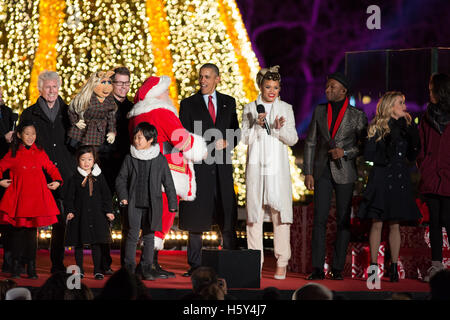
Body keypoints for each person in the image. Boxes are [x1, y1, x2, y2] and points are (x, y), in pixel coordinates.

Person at [128, 75, 206, 278]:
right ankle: (147, 266)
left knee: (151, 219)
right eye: (165, 91)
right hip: (166, 174)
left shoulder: (137, 116)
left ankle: (151, 263)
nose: (169, 95)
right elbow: (182, 139)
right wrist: (199, 149)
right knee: (161, 219)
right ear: (156, 94)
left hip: (143, 172)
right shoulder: (162, 112)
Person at [304, 72, 368, 280]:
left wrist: (346, 152)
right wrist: (308, 172)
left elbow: (364, 146)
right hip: (322, 171)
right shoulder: (320, 111)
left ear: (343, 90)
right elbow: (310, 142)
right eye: (327, 86)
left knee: (343, 220)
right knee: (319, 219)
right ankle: (316, 268)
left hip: (345, 170)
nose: (327, 90)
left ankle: (338, 268)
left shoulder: (357, 115)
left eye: (332, 87)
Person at [179, 63, 240, 277]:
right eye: (200, 77)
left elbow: (237, 132)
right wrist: (198, 150)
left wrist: (229, 141)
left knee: (227, 212)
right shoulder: (188, 104)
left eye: (207, 76)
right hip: (199, 168)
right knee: (197, 216)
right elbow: (183, 135)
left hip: (222, 168)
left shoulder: (229, 103)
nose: (202, 80)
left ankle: (231, 259)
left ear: (217, 79)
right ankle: (194, 265)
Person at [357, 91, 422, 282]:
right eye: (400, 103)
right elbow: (368, 154)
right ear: (390, 107)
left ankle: (393, 267)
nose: (404, 106)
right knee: (377, 223)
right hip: (381, 178)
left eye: (404, 102)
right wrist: (386, 149)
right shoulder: (377, 127)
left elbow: (412, 155)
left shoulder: (407, 127)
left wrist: (412, 135)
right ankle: (374, 268)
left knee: (395, 224)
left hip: (399, 179)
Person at [241, 65, 298, 280]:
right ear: (261, 87)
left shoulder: (286, 108)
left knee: (281, 216)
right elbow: (244, 138)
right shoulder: (250, 107)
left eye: (275, 87)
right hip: (256, 169)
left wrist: (278, 128)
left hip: (277, 171)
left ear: (280, 88)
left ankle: (282, 262)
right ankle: (255, 262)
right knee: (253, 217)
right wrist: (256, 125)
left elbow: (292, 139)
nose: (271, 91)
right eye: (268, 87)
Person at [20, 70, 76, 274]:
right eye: (48, 87)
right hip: (37, 174)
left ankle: (57, 263)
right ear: (40, 89)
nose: (52, 90)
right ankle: (30, 263)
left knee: (61, 221)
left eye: (55, 86)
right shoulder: (29, 113)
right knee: (31, 220)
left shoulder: (70, 111)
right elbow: (23, 145)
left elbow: (76, 140)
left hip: (63, 174)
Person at [0, 120, 62, 279]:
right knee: (18, 234)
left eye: (33, 134)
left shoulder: (39, 151)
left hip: (36, 199)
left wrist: (57, 180)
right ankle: (16, 265)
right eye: (27, 134)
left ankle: (32, 267)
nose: (30, 137)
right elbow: (0, 166)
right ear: (19, 135)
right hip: (20, 199)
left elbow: (50, 166)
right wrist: (0, 180)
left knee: (32, 235)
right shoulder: (13, 152)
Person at [115, 122, 178, 280]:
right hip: (133, 204)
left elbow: (168, 182)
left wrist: (172, 204)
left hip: (152, 205)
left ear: (150, 140)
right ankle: (128, 269)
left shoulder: (160, 159)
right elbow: (121, 179)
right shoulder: (130, 157)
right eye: (135, 137)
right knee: (132, 235)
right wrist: (123, 196)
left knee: (149, 236)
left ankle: (146, 268)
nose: (136, 140)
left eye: (140, 138)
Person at [417, 73, 450, 282]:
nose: (429, 93)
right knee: (435, 223)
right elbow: (420, 146)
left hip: (447, 177)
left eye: (431, 90)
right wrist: (425, 166)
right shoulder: (426, 116)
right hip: (431, 178)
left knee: (448, 220)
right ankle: (436, 266)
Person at [64, 145, 115, 280]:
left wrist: (109, 210)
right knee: (79, 243)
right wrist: (70, 211)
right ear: (78, 160)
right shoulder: (74, 178)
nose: (86, 163)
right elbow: (69, 197)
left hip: (97, 215)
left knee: (96, 243)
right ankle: (79, 269)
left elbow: (106, 195)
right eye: (83, 159)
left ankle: (97, 270)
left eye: (89, 159)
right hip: (80, 215)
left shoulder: (99, 176)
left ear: (94, 160)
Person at [0, 86, 17, 274]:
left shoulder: (8, 113)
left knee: (7, 218)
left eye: (1, 93)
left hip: (6, 171)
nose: (1, 97)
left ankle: (10, 260)